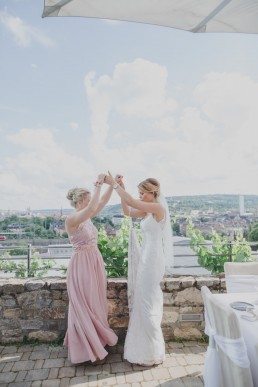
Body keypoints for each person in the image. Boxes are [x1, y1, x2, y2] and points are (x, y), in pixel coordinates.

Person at [105, 173, 174, 366]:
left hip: (153, 259)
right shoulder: (148, 211)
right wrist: (121, 187)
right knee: (143, 299)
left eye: (143, 193)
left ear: (153, 193)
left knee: (146, 300)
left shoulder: (157, 208)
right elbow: (127, 210)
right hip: (146, 257)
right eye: (140, 193)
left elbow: (131, 201)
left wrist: (114, 185)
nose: (141, 196)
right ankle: (144, 347)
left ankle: (153, 350)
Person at [64, 174, 118, 364]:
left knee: (95, 302)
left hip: (94, 261)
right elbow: (95, 205)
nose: (90, 202)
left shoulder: (86, 215)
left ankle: (97, 341)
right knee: (84, 304)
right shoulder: (72, 219)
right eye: (87, 199)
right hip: (82, 265)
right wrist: (98, 184)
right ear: (79, 200)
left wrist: (113, 185)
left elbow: (100, 203)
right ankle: (84, 348)